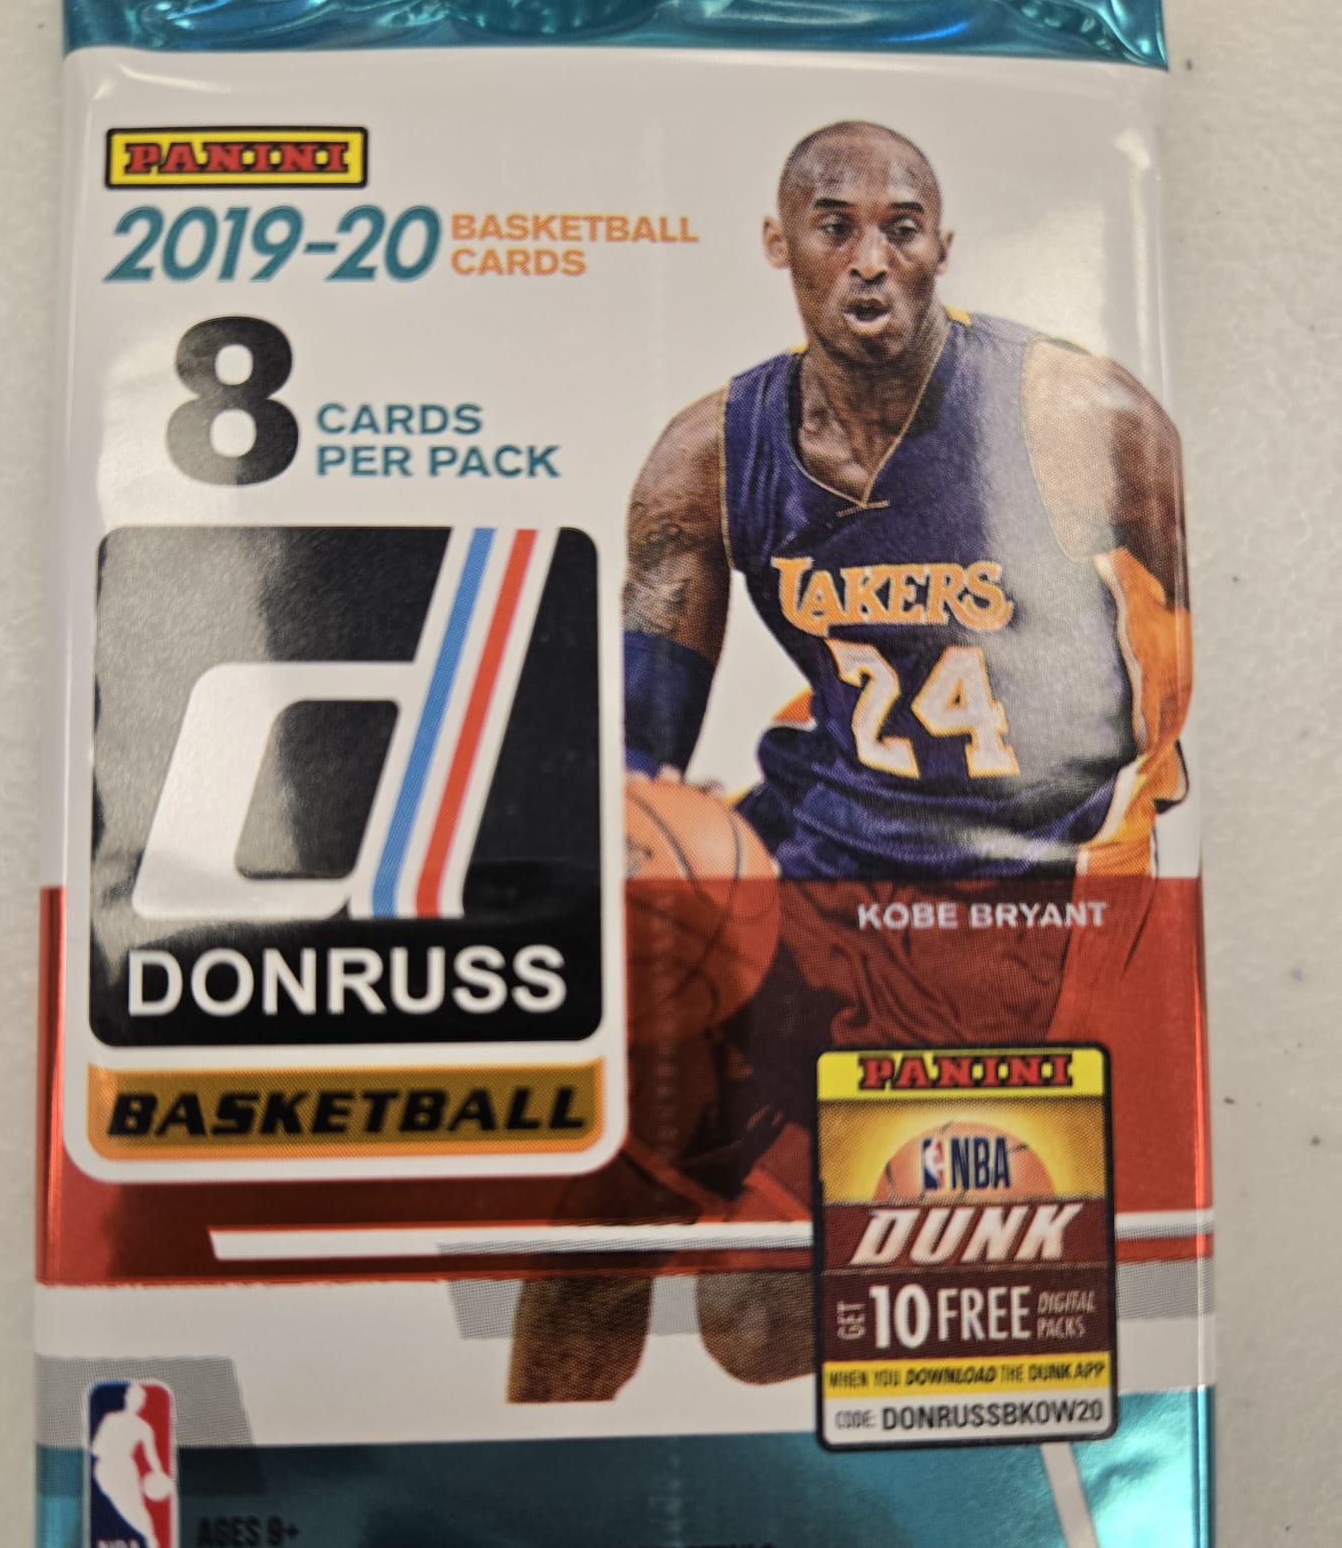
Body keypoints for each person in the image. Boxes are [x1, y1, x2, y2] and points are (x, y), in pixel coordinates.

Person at [508, 121, 1190, 1403]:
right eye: (837, 227)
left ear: (943, 248)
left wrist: (1129, 896)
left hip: (1009, 904)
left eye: (901, 228)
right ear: (783, 246)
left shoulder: (1075, 416)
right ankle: (523, 1485)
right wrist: (623, 878)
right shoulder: (710, 453)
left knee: (756, 1321)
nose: (871, 259)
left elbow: (1183, 681)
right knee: (594, 1218)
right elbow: (639, 747)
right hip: (813, 858)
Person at [89, 1382, 172, 1548]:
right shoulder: (111, 1419)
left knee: (136, 1510)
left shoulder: (143, 1427)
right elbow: (96, 1449)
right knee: (120, 1509)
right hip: (106, 1470)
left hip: (124, 1470)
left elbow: (151, 1456)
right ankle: (146, 1546)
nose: (134, 1401)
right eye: (132, 1396)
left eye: (138, 1399)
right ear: (127, 1398)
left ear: (141, 1403)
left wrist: (160, 1475)